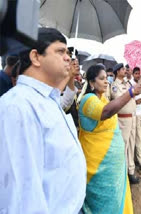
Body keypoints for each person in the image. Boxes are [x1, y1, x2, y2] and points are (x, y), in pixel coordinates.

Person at [0, 27, 86, 213]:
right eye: (60, 51)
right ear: (36, 57)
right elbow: (20, 200)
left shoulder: (48, 100)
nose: (68, 58)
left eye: (68, 52)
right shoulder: (18, 106)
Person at [78, 64, 141, 213]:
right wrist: (131, 92)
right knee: (104, 204)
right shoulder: (88, 100)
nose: (106, 81)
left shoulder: (103, 99)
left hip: (113, 169)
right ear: (92, 82)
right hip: (99, 169)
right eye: (101, 78)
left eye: (106, 78)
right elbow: (105, 112)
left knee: (117, 199)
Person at [111, 63, 140, 184]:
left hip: (132, 117)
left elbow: (132, 95)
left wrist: (136, 97)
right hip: (123, 120)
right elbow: (119, 99)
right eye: (123, 69)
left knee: (131, 145)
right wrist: (132, 94)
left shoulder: (127, 83)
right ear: (118, 72)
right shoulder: (114, 86)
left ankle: (131, 172)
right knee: (124, 147)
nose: (125, 71)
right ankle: (122, 175)